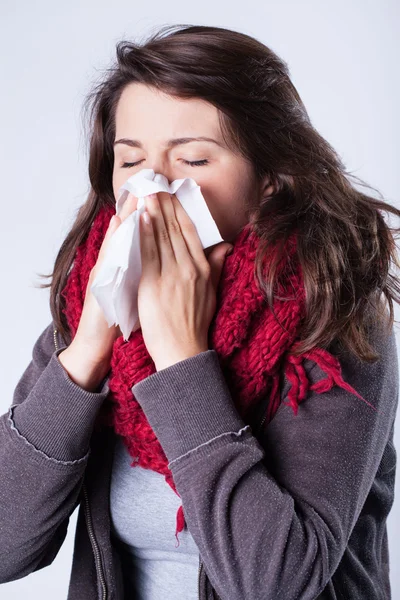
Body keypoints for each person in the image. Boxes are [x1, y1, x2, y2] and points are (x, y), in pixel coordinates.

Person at [1, 23, 399, 600]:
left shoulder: (331, 319)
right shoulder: (94, 302)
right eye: (131, 161)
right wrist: (85, 352)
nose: (154, 188)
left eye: (191, 159)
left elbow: (277, 583)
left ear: (269, 180)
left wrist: (182, 359)